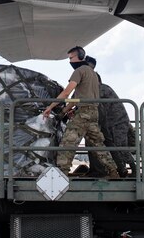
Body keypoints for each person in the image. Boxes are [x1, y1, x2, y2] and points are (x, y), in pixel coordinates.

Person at [43, 46, 119, 178]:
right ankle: (113, 172)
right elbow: (77, 98)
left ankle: (61, 176)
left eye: (71, 58)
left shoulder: (79, 71)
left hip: (83, 113)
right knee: (98, 145)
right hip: (93, 112)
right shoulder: (93, 74)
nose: (70, 61)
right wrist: (64, 111)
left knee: (67, 144)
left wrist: (50, 107)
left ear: (79, 57)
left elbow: (67, 92)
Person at [84, 56, 136, 177]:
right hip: (109, 124)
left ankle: (134, 169)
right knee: (112, 146)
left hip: (117, 123)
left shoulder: (101, 89)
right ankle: (121, 170)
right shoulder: (98, 89)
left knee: (119, 147)